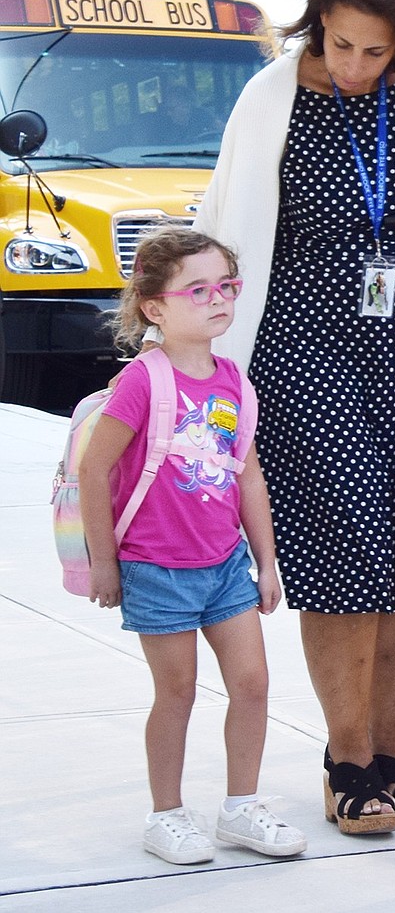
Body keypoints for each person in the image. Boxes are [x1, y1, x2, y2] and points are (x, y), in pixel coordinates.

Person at [147, 0, 395, 835]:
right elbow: (226, 219)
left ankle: (393, 751)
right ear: (319, 24)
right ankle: (346, 758)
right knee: (348, 537)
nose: (352, 67)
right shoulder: (272, 96)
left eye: (373, 51)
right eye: (341, 45)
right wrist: (193, 347)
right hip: (306, 344)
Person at [79, 226, 306, 865]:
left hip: (225, 564)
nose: (217, 300)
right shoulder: (142, 382)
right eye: (198, 289)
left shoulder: (234, 379)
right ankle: (167, 814)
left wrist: (265, 562)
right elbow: (95, 470)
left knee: (254, 685)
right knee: (176, 693)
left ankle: (239, 808)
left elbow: (247, 474)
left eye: (226, 287)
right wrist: (105, 562)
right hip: (157, 568)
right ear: (155, 307)